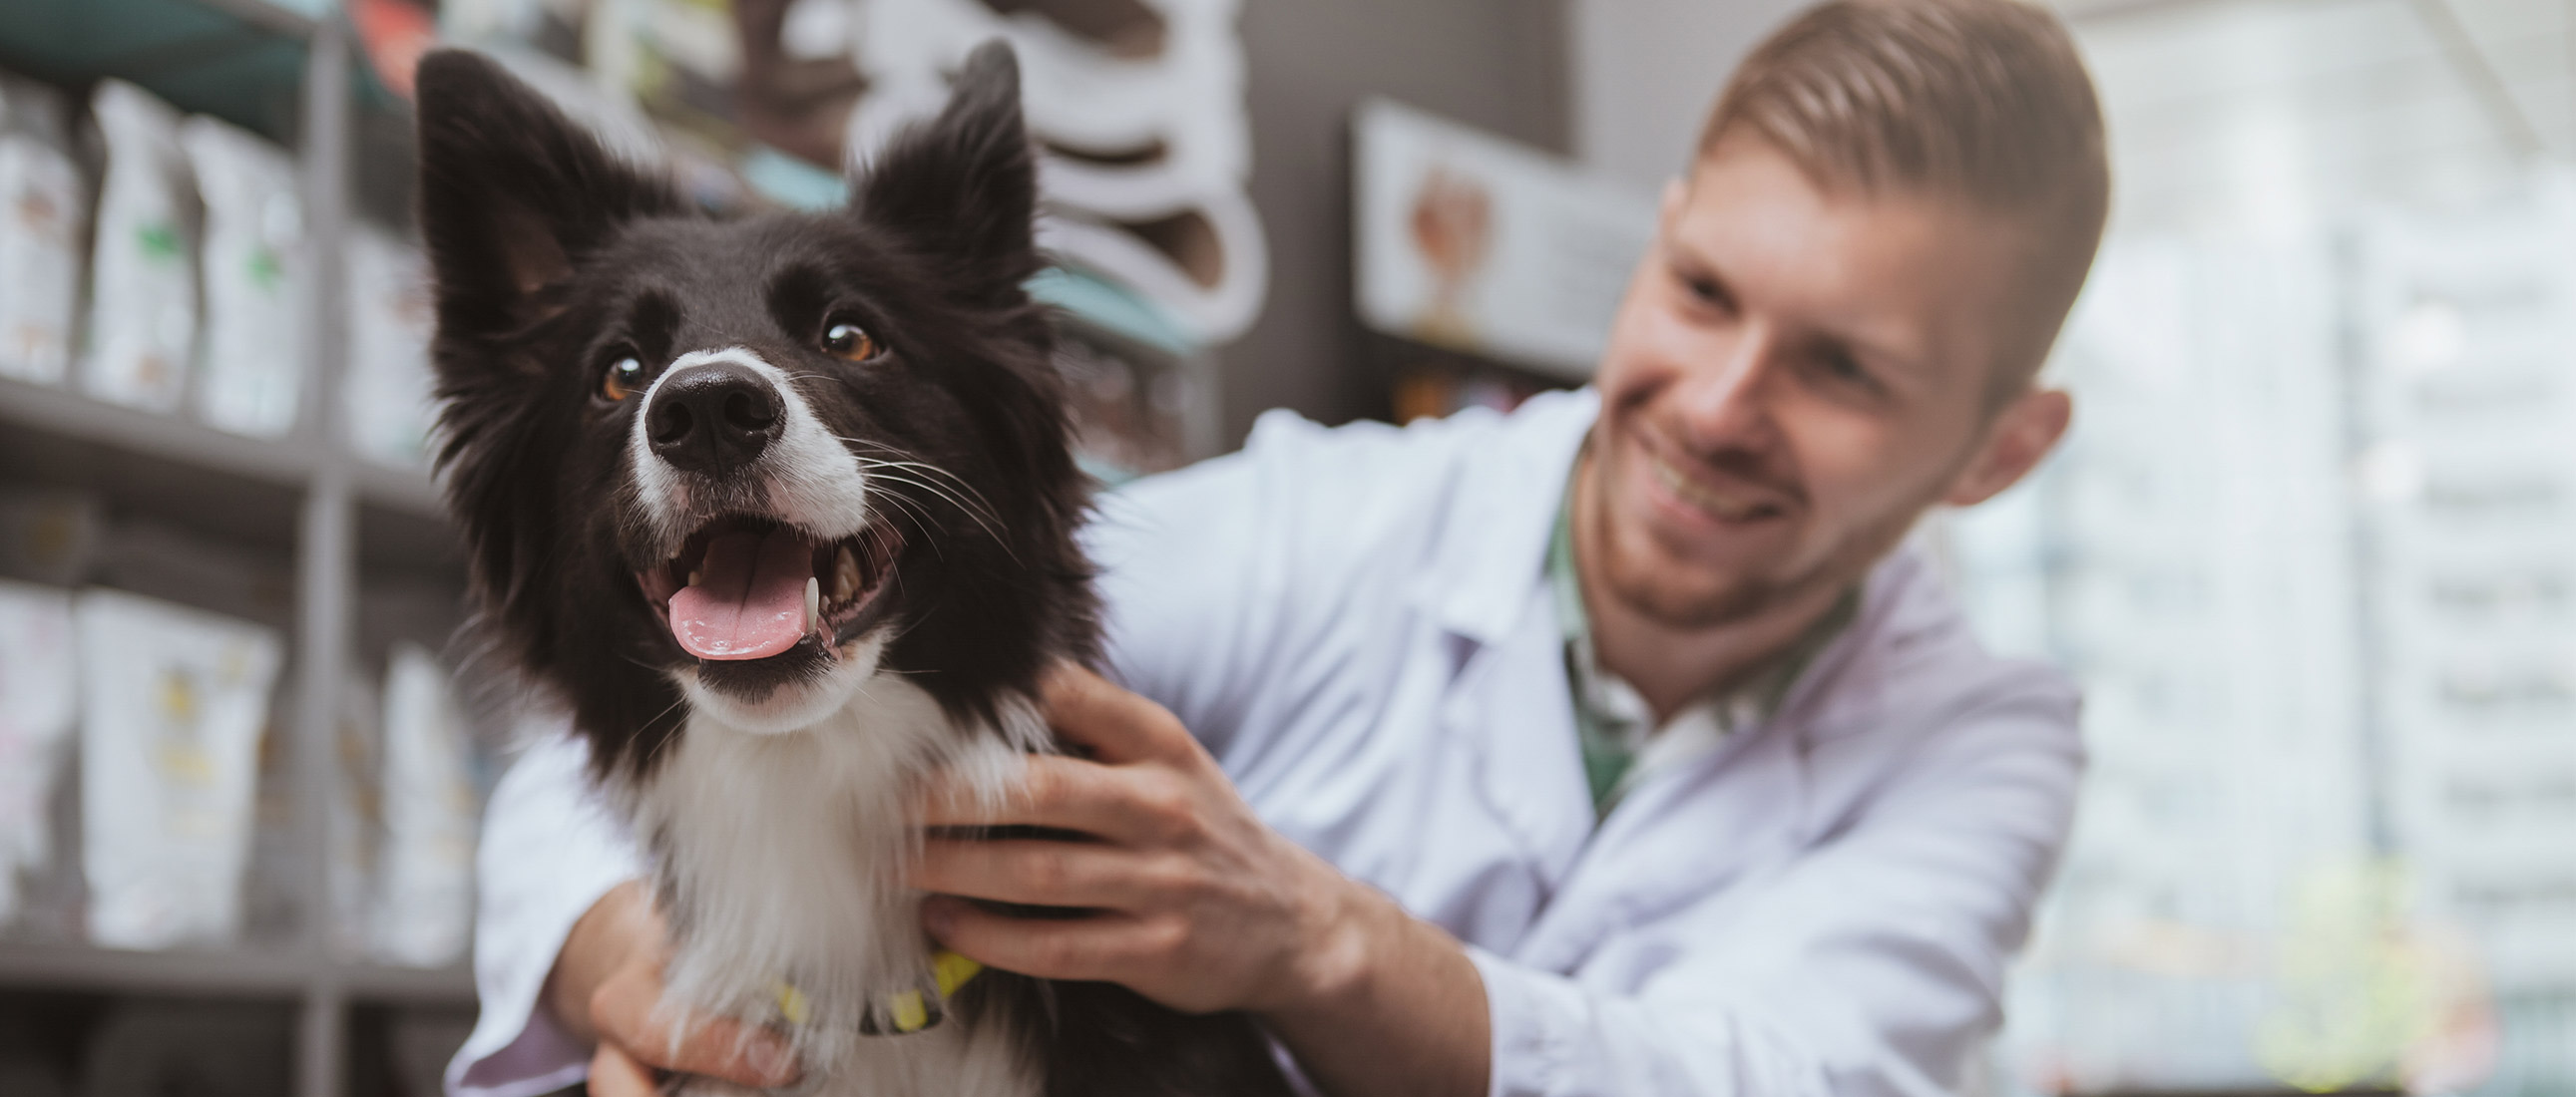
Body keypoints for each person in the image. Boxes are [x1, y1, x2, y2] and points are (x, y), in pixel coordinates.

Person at [447, 0, 2109, 1093]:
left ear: (2000, 449)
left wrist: (1317, 944)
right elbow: (611, 738)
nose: (1720, 402)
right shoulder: (1328, 517)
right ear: (1656, 240)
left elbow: (1773, 1077)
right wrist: (626, 970)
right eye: (1702, 295)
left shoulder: (1983, 742)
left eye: (1840, 369)